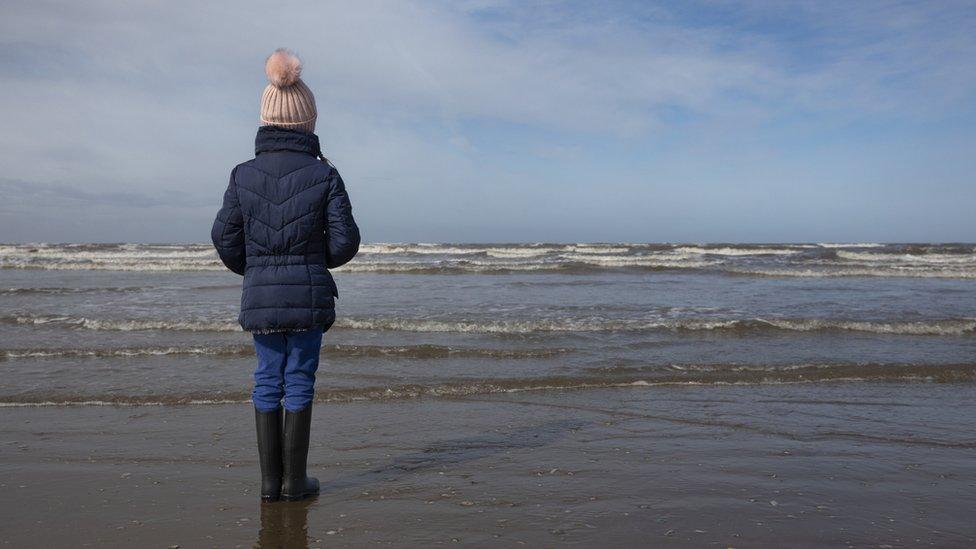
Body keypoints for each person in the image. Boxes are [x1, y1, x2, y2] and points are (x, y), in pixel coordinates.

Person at [211, 48, 360, 502]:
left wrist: (256, 270)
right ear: (308, 122)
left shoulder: (243, 175)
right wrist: (314, 264)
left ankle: (268, 484)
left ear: (266, 119)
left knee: (267, 377)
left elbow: (224, 238)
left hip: (261, 294)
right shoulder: (324, 174)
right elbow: (345, 240)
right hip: (309, 294)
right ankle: (295, 482)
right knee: (298, 379)